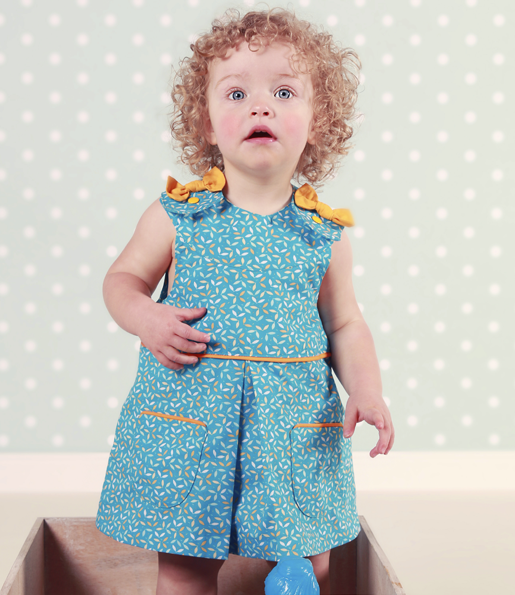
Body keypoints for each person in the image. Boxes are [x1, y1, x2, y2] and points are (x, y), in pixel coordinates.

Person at [95, 7, 394, 595]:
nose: (261, 108)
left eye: (284, 92)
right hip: (192, 420)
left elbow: (345, 324)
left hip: (289, 429)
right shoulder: (179, 215)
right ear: (206, 123)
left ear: (318, 120)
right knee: (184, 566)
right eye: (237, 94)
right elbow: (121, 280)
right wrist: (146, 317)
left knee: (310, 562)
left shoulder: (323, 234)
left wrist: (366, 389)